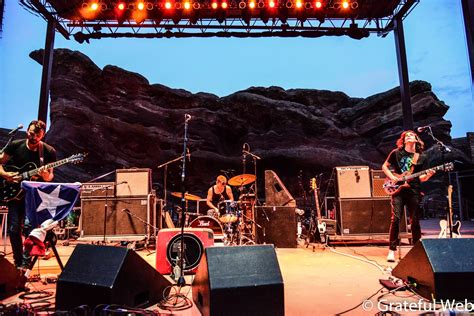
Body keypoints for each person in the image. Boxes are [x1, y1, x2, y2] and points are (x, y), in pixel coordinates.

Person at [0, 120, 56, 269]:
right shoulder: (15, 145)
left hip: (34, 196)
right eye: (31, 133)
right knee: (13, 229)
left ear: (43, 135)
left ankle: (25, 264)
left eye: (37, 134)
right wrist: (6, 175)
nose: (34, 136)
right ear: (27, 132)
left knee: (30, 229)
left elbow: (50, 177)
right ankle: (17, 263)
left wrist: (45, 176)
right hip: (14, 193)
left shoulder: (48, 151)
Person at [382, 130, 435, 262]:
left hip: (414, 190)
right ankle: (391, 251)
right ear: (404, 140)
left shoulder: (421, 156)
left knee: (415, 221)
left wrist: (428, 175)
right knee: (396, 219)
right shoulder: (396, 153)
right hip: (398, 190)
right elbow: (385, 166)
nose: (410, 136)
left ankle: (416, 250)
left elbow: (421, 178)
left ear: (417, 140)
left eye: (413, 135)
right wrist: (393, 177)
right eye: (407, 136)